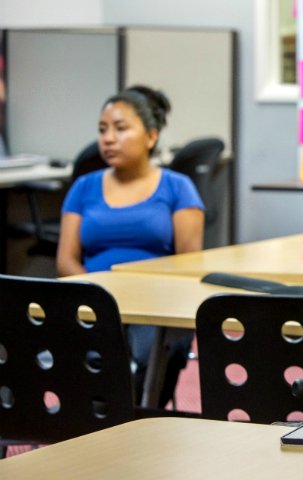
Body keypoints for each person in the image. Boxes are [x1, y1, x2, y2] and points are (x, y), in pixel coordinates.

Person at [57, 85, 205, 407]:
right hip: (94, 300)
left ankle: (136, 416)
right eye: (103, 130)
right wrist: (100, 295)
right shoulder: (84, 187)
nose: (108, 138)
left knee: (162, 351)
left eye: (120, 128)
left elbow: (188, 264)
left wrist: (142, 298)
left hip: (153, 305)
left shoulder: (178, 188)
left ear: (151, 136)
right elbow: (66, 260)